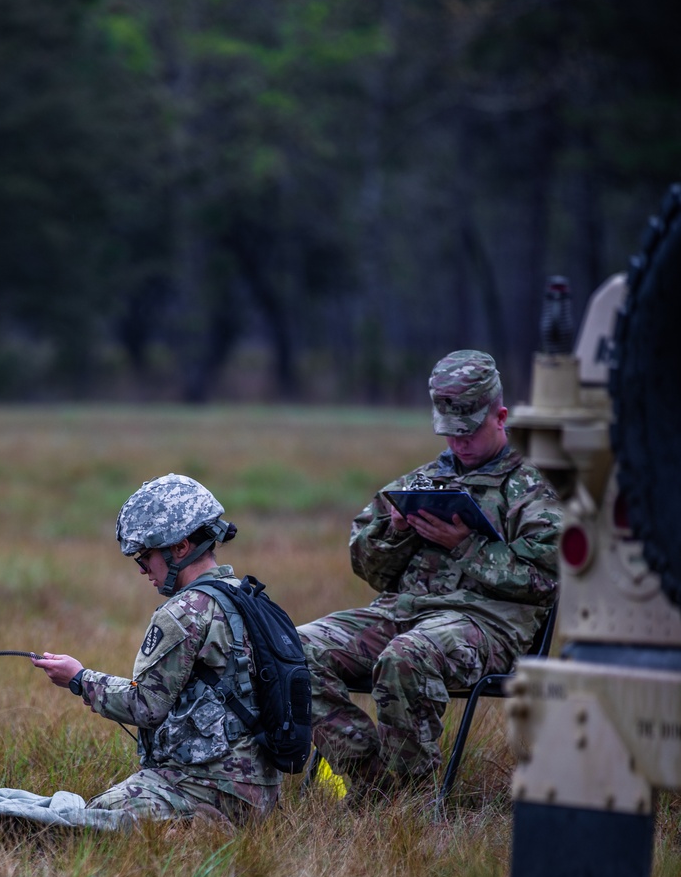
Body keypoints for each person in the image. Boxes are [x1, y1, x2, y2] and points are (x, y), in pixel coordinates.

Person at [298, 349, 562, 792]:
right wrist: (397, 530)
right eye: (449, 433)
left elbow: (546, 583)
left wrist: (465, 547)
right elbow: (369, 569)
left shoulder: (533, 491)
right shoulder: (421, 482)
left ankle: (409, 797)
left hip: (486, 626)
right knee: (290, 650)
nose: (458, 443)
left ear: (501, 417)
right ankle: (369, 774)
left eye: (470, 432)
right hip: (403, 612)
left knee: (406, 657)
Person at [33, 474, 281, 823]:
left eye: (145, 557)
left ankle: (201, 828)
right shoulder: (247, 597)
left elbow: (146, 706)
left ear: (179, 547)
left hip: (210, 786)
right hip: (261, 792)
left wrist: (79, 679)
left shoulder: (184, 611)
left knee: (99, 814)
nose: (142, 570)